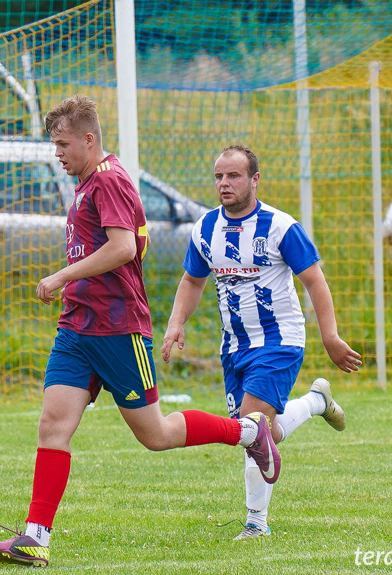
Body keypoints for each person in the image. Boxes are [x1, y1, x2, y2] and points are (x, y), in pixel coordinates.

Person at [0, 98, 282, 568]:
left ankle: (248, 432)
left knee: (156, 434)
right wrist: (71, 289)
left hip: (119, 328)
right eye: (53, 144)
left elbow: (122, 249)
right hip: (77, 327)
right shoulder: (84, 182)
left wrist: (62, 276)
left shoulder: (110, 180)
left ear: (89, 139)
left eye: (62, 144)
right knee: (53, 425)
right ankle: (35, 536)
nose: (56, 153)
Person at [161, 144, 362, 540]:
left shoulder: (281, 227)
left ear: (255, 179)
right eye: (218, 176)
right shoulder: (205, 229)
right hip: (234, 346)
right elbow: (192, 280)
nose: (224, 183)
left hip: (279, 341)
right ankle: (316, 402)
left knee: (252, 424)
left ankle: (256, 523)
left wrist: (331, 337)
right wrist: (175, 323)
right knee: (256, 430)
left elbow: (314, 281)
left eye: (233, 175)